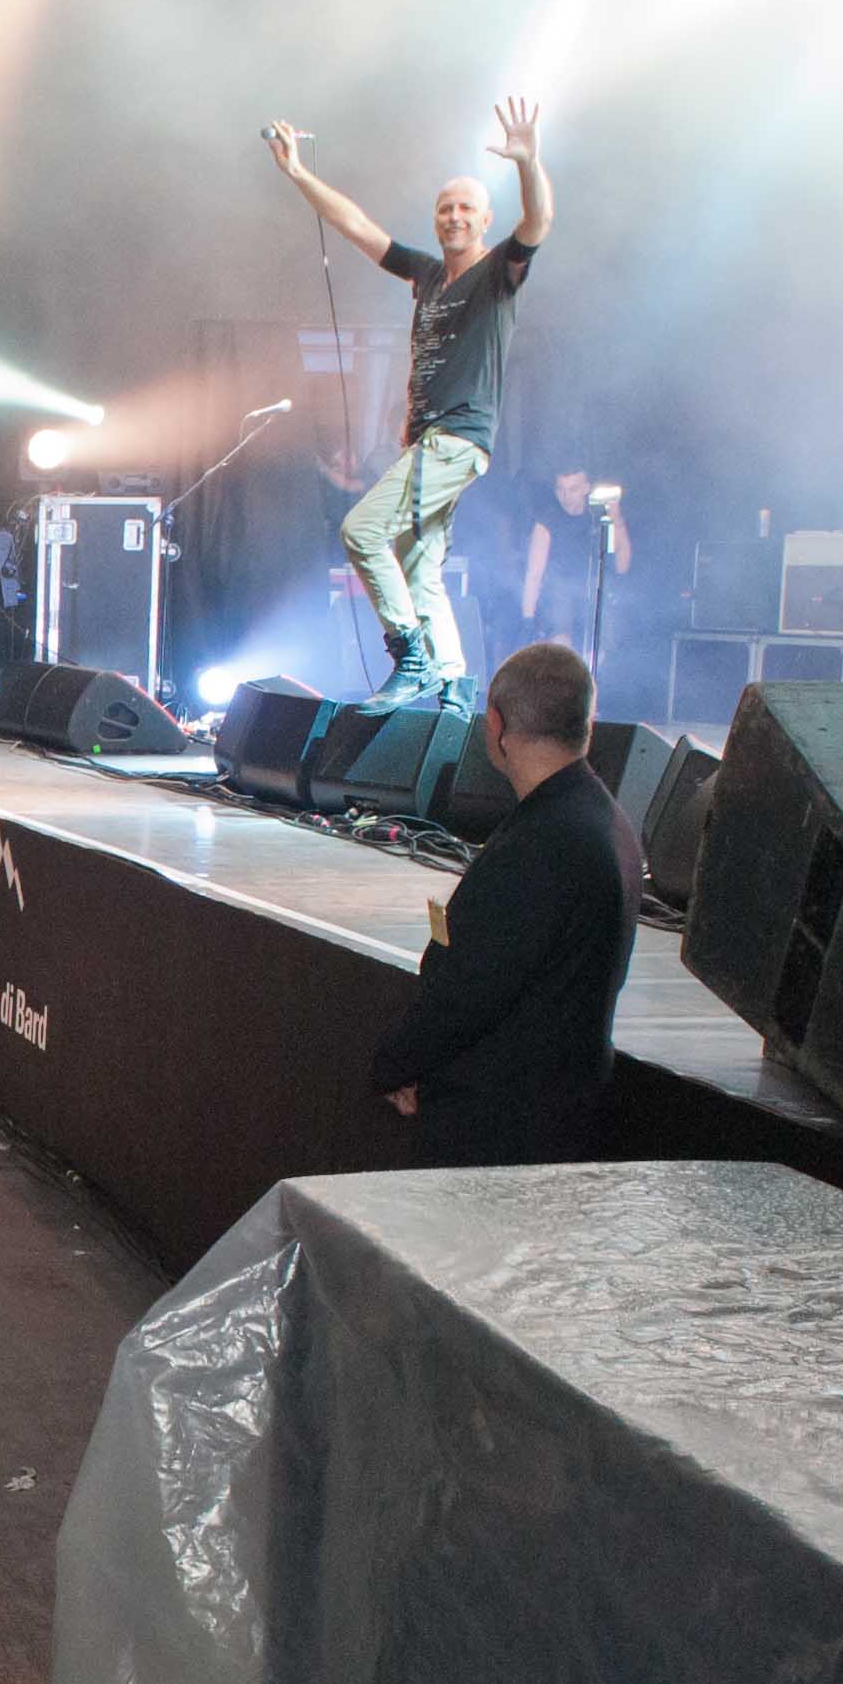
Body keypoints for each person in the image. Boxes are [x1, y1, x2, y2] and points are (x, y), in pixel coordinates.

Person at [266, 99, 552, 715]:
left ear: (485, 220)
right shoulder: (426, 273)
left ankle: (411, 657)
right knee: (419, 565)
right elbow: (357, 226)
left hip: (456, 438)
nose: (454, 217)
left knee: (361, 531)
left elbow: (538, 220)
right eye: (446, 208)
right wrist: (297, 173)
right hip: (429, 440)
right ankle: (454, 688)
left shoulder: (497, 273)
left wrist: (528, 163)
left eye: (466, 209)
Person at [368, 641, 643, 1165]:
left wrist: (395, 1065)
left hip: (500, 1133)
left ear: (495, 724)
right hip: (558, 1117)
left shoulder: (542, 844)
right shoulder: (605, 821)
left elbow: (469, 991)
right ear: (587, 723)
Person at [512, 466, 632, 661]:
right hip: (558, 601)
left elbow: (622, 565)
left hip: (593, 600)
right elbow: (534, 574)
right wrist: (528, 618)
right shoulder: (547, 520)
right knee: (562, 647)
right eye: (561, 489)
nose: (566, 496)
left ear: (586, 488)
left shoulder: (600, 519)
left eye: (573, 489)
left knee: (595, 656)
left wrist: (616, 517)